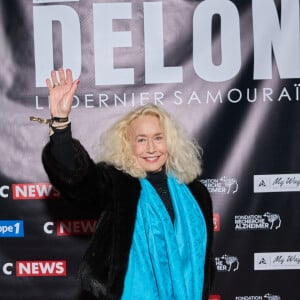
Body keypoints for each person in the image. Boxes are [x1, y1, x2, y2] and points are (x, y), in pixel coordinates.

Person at [39, 68, 214, 300]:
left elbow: (202, 261)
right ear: (127, 145)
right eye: (141, 140)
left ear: (170, 142)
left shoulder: (195, 194)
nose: (151, 148)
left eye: (158, 138)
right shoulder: (117, 185)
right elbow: (79, 181)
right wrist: (60, 126)